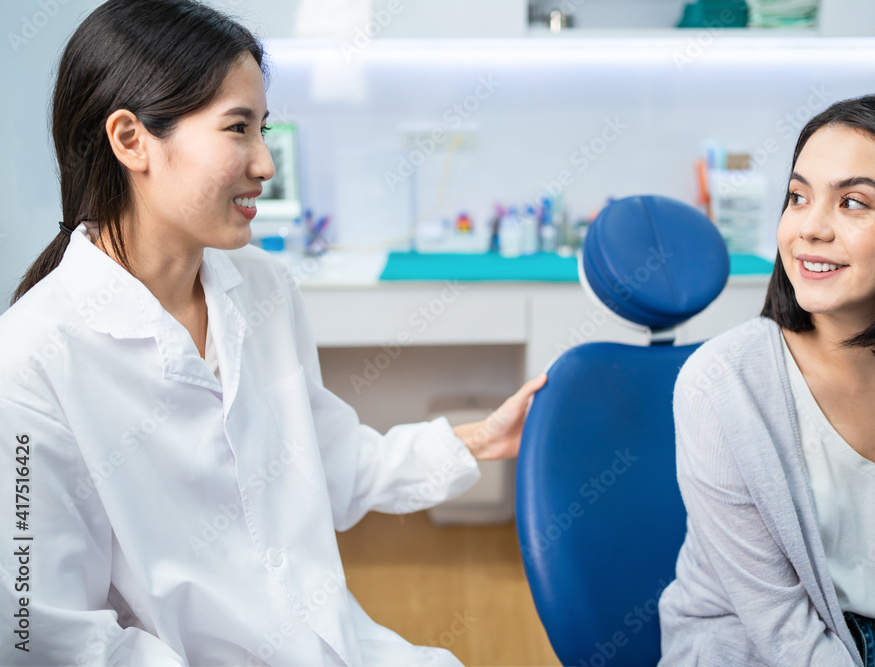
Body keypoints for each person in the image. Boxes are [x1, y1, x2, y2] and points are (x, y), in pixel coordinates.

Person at [0, 1, 545, 664]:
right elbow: (46, 634)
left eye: (264, 128)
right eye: (238, 129)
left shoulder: (261, 288)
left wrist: (481, 438)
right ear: (131, 139)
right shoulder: (31, 359)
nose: (266, 162)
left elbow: (326, 460)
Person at [658, 92, 875, 666]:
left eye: (853, 203)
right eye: (798, 197)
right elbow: (779, 628)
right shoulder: (722, 387)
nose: (809, 229)